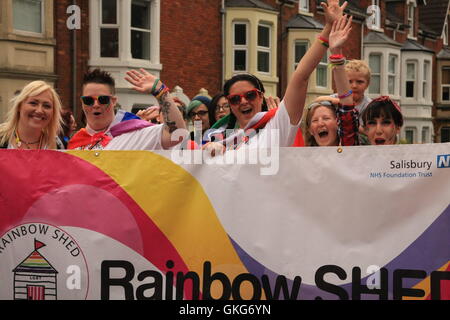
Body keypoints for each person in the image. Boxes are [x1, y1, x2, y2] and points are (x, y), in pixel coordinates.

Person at [205, 0, 349, 153]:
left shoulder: (276, 127)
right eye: (235, 99)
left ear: (261, 97)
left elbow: (301, 77)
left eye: (250, 95)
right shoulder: (217, 136)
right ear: (229, 104)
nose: (243, 101)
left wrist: (327, 30)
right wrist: (205, 149)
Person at [68, 68, 186, 150]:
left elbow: (177, 134)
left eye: (103, 99)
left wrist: (161, 92)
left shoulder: (135, 133)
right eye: (88, 100)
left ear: (113, 101)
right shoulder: (75, 142)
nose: (95, 105)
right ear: (82, 102)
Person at [303, 15, 359, 147]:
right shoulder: (302, 159)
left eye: (326, 118)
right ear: (310, 130)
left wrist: (336, 52)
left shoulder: (348, 149)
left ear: (338, 123)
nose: (320, 123)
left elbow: (347, 107)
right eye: (315, 120)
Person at [0, 80, 63, 149]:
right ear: (19, 106)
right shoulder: (2, 138)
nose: (39, 111)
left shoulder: (57, 145)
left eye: (46, 106)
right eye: (33, 103)